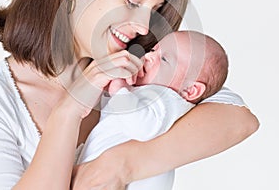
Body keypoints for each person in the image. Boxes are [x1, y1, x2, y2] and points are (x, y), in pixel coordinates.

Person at [0, 0, 258, 190]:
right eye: (133, 2)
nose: (144, 28)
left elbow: (239, 118)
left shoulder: (142, 76)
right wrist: (68, 112)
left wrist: (124, 164)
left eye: (154, 11)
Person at [77, 30, 229, 189]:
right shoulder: (147, 95)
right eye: (153, 50)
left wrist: (119, 90)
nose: (148, 57)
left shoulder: (168, 100)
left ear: (190, 90)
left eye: (164, 59)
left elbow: (142, 127)